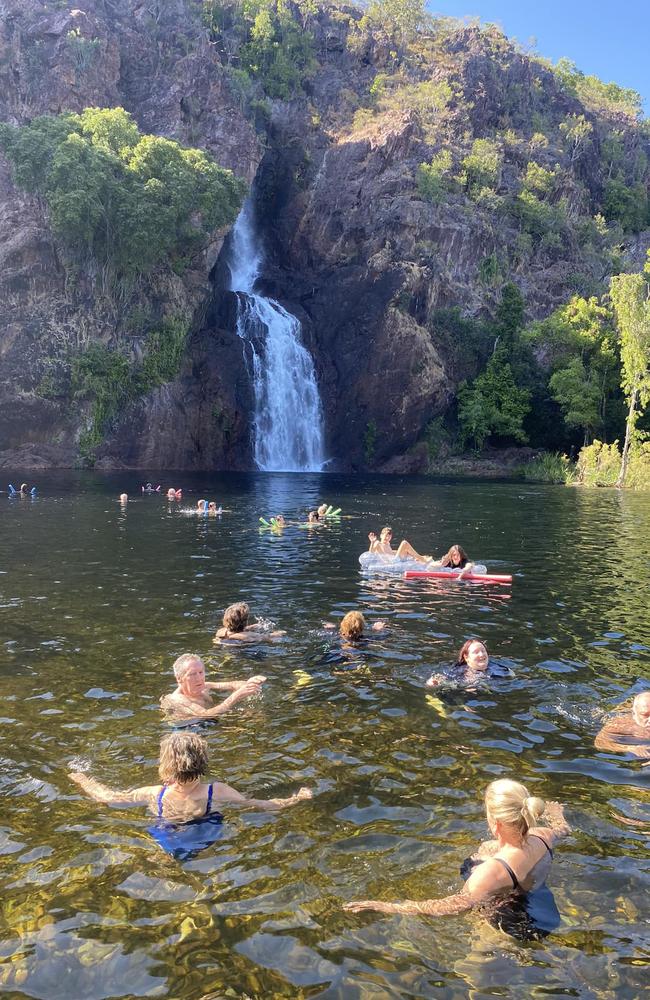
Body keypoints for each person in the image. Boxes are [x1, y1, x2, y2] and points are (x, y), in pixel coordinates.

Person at [344, 779, 570, 940]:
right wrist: (556, 813)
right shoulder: (543, 836)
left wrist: (387, 906)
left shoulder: (489, 874)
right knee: (485, 850)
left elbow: (451, 907)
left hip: (508, 924)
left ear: (495, 823)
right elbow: (563, 829)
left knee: (472, 970)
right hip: (541, 906)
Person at [69, 731, 312, 828]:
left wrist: (82, 779)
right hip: (205, 834)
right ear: (202, 760)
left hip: (166, 834)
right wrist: (297, 798)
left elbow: (107, 798)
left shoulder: (155, 793)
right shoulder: (216, 791)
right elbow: (261, 805)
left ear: (165, 764)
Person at [160, 653, 266, 720]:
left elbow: (232, 684)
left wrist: (250, 683)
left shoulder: (203, 686)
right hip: (191, 731)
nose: (199, 678)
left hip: (211, 722)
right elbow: (205, 715)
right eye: (192, 674)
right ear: (179, 678)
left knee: (257, 716)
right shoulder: (178, 699)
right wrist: (236, 696)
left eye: (201, 672)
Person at [426, 639, 513, 688]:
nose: (481, 654)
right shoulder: (456, 671)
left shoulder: (501, 669)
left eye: (483, 651)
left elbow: (512, 679)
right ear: (466, 657)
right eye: (476, 652)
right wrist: (434, 682)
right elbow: (439, 680)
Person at [595, 691, 650, 761]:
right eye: (645, 715)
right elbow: (600, 743)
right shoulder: (620, 724)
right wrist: (630, 748)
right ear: (634, 714)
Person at [213, 602, 286, 644]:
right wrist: (280, 633)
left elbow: (235, 632)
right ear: (245, 621)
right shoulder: (249, 636)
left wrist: (250, 627)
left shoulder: (221, 631)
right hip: (243, 653)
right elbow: (267, 637)